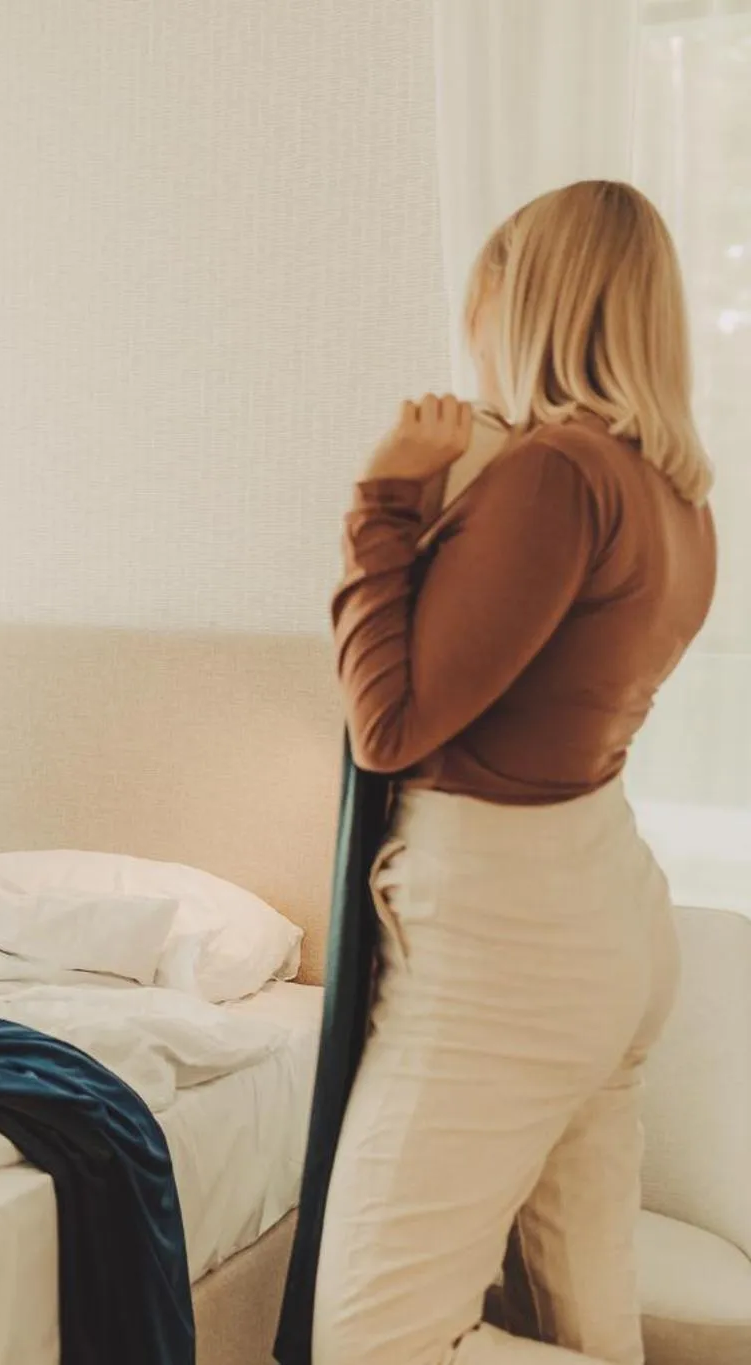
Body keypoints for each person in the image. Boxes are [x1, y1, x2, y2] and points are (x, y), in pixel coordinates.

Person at [314, 181, 717, 1364]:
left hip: (509, 943)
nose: (466, 333)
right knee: (583, 1304)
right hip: (601, 918)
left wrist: (383, 499)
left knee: (375, 1339)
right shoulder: (673, 491)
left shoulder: (557, 472)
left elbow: (386, 724)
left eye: (475, 302)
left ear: (521, 303)